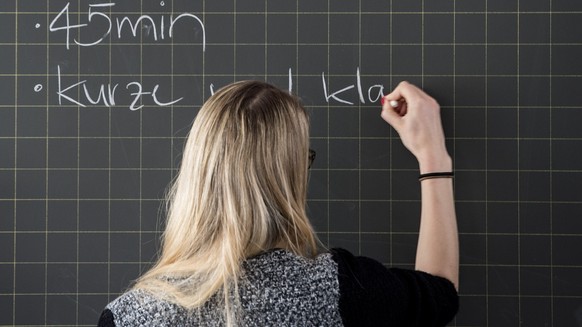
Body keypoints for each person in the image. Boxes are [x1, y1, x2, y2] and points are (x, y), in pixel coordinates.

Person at [98, 80, 459, 326]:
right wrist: (433, 157)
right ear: (289, 176)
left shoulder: (129, 317)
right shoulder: (333, 288)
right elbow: (440, 294)